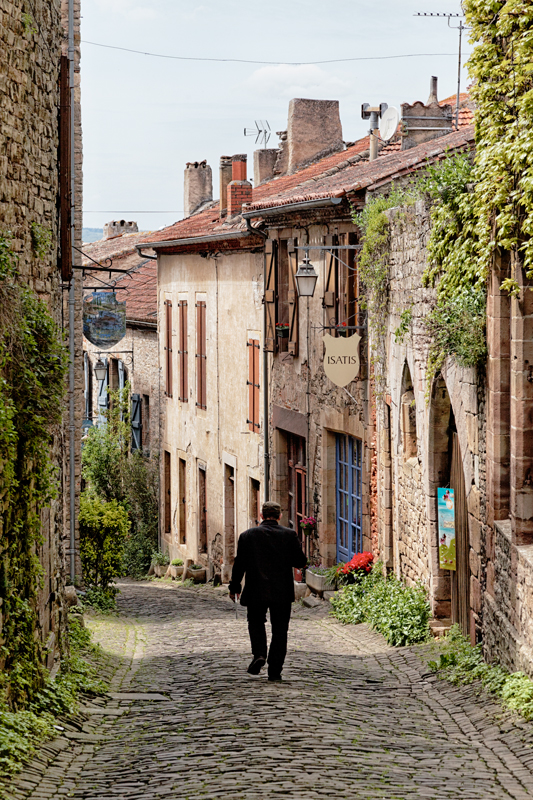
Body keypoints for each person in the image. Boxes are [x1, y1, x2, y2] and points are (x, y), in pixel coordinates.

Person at [229, 500, 307, 682]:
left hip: (256, 589)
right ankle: (275, 670)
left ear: (261, 515)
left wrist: (234, 587)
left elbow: (239, 564)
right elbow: (300, 562)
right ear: (280, 516)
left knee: (255, 623)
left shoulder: (247, 536)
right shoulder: (289, 535)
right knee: (280, 630)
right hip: (281, 591)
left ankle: (259, 654)